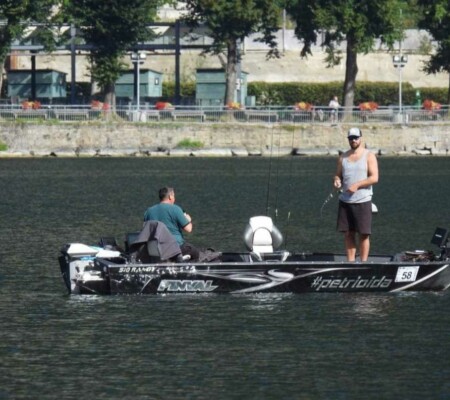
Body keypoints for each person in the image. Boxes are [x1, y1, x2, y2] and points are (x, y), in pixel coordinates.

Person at [333, 127, 379, 262]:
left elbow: (374, 178)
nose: (353, 140)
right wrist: (336, 180)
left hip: (363, 200)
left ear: (360, 138)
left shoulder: (369, 156)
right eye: (351, 138)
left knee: (364, 234)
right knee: (348, 234)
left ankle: (363, 263)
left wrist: (357, 185)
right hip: (345, 201)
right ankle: (351, 262)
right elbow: (338, 175)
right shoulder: (343, 157)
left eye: (355, 138)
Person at [143, 187, 199, 261]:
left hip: (155, 249)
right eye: (174, 196)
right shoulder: (175, 209)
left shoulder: (148, 211)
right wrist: (188, 219)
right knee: (194, 251)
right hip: (175, 248)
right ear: (170, 197)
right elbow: (189, 229)